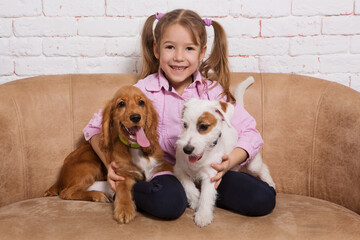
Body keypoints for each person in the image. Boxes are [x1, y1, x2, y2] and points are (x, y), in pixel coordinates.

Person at [83, 9, 276, 220]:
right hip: (169, 173)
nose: (179, 57)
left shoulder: (213, 92)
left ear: (202, 53)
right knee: (168, 203)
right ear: (157, 49)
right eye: (170, 47)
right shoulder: (143, 92)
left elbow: (250, 132)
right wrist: (110, 164)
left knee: (263, 198)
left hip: (210, 170)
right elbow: (93, 127)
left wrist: (228, 163)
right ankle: (125, 189)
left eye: (189, 49)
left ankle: (203, 195)